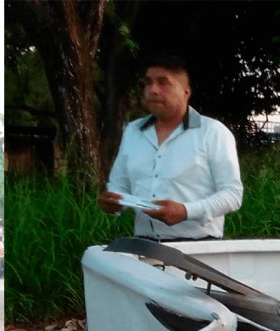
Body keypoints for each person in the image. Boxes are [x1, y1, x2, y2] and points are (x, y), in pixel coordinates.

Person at [97, 54, 243, 241]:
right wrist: (113, 202)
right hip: (145, 246)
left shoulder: (213, 132)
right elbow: (120, 184)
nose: (153, 90)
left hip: (199, 250)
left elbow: (232, 194)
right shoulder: (133, 132)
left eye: (163, 83)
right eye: (148, 83)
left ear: (185, 92)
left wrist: (185, 211)